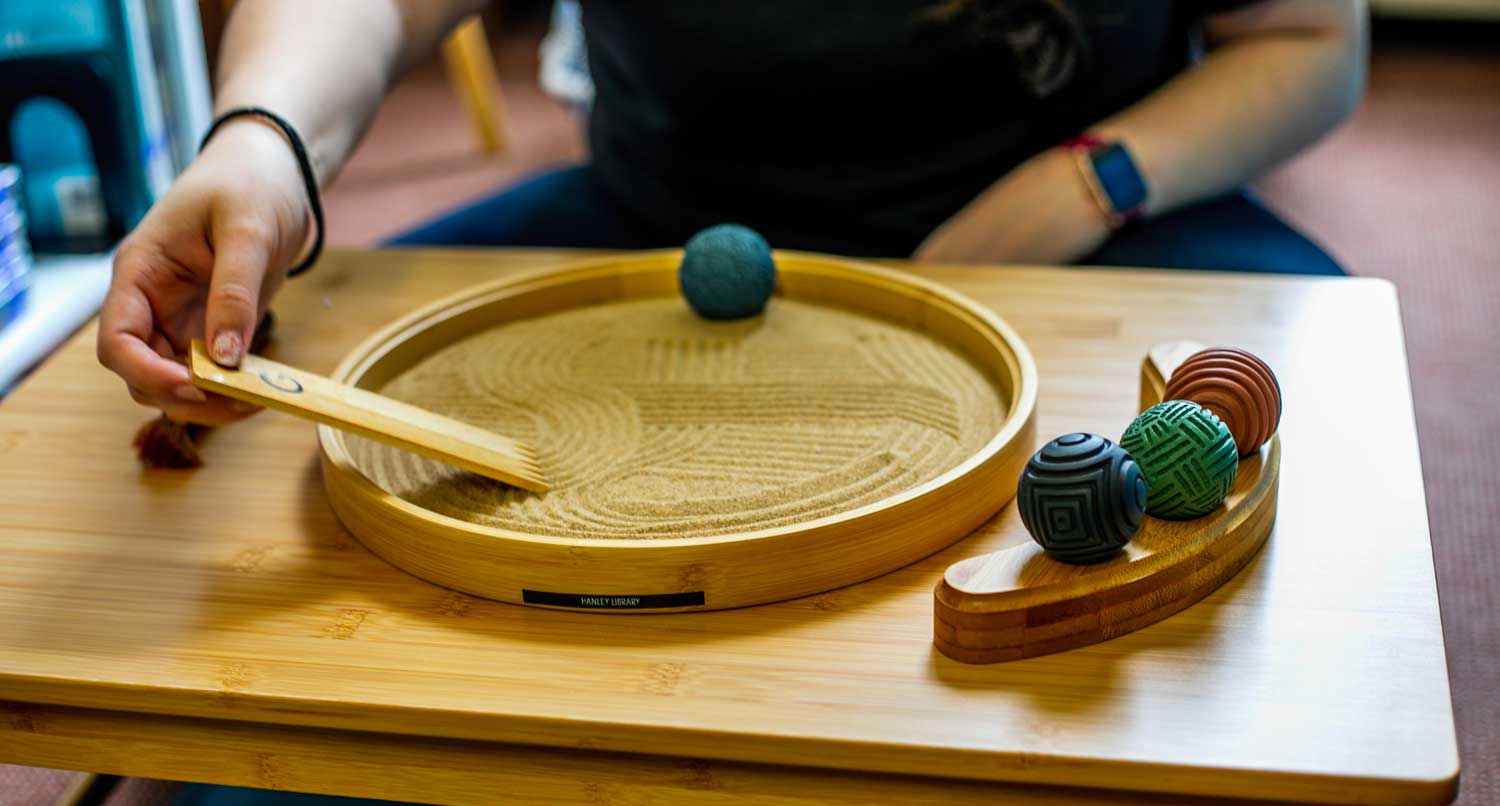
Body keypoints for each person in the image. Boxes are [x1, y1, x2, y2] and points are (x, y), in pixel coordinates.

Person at [97, 0, 1365, 425]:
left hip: (1091, 231)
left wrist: (1089, 182)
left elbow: (1313, 39)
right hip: (662, 226)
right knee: (275, 428)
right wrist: (261, 142)